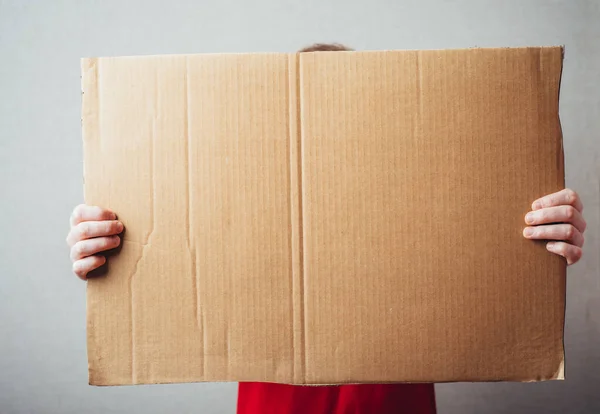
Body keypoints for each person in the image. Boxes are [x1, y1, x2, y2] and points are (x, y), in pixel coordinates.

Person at [66, 44, 587, 414]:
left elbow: (487, 262)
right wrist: (108, 247)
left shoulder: (421, 214)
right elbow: (174, 261)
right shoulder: (234, 212)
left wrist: (540, 241)